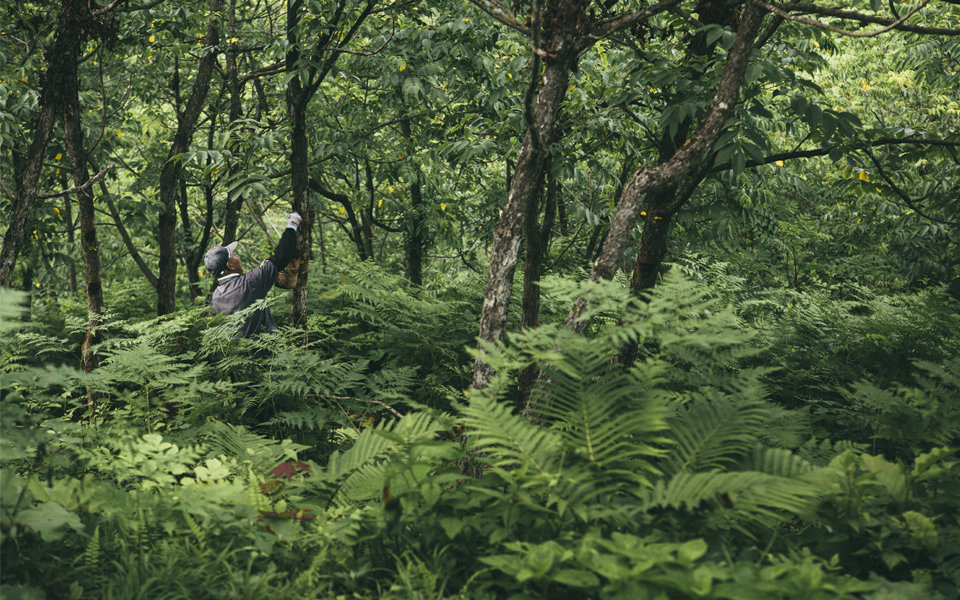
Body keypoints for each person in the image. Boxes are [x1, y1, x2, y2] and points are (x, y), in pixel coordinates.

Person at [203, 212, 301, 338]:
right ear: (230, 266)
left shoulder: (216, 296)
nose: (238, 256)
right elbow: (282, 257)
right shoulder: (249, 283)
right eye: (235, 255)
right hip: (263, 352)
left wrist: (261, 271)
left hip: (238, 354)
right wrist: (292, 225)